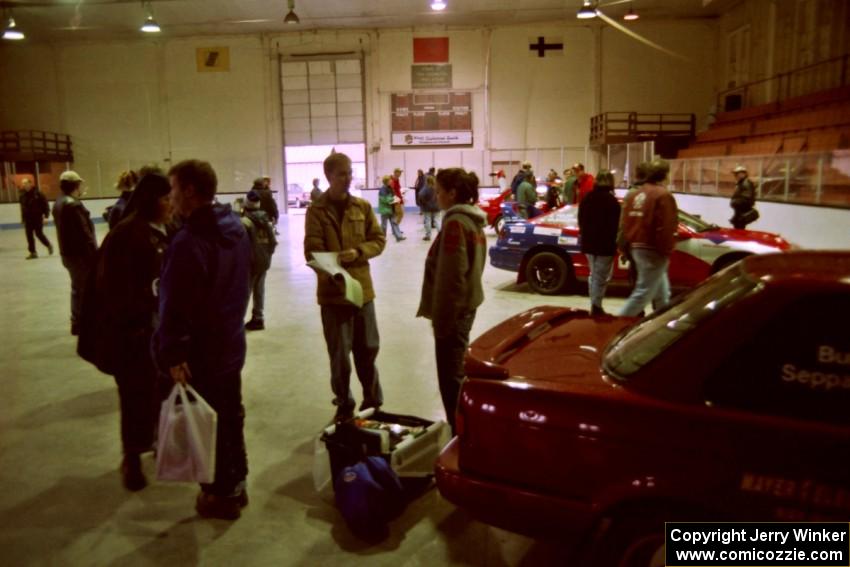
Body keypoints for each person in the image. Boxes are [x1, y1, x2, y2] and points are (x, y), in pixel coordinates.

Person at [154, 159, 252, 520]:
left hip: (202, 351)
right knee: (230, 415)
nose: (172, 197)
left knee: (207, 423)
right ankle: (237, 483)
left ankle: (220, 494)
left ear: (190, 191)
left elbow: (175, 305)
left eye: (174, 189)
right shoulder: (237, 230)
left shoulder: (189, 242)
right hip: (230, 343)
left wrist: (174, 352)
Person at [82, 173, 172, 491]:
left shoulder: (167, 230)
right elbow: (109, 289)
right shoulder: (126, 235)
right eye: (165, 199)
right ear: (151, 201)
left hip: (160, 332)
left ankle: (156, 443)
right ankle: (132, 457)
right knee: (134, 397)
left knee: (159, 394)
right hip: (132, 335)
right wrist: (135, 321)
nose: (171, 205)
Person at [304, 152, 387, 423]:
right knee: (339, 357)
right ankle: (344, 404)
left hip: (362, 292)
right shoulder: (316, 211)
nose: (348, 178)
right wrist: (333, 270)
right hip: (333, 296)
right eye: (342, 174)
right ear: (328, 176)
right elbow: (312, 250)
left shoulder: (361, 207)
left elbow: (378, 239)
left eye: (350, 172)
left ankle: (373, 401)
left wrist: (359, 251)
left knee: (368, 350)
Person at [417, 168, 486, 433]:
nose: (436, 196)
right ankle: (462, 428)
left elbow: (451, 277)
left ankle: (459, 433)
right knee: (456, 373)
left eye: (439, 191)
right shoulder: (473, 221)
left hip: (454, 314)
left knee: (450, 379)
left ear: (452, 193)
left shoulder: (456, 223)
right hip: (467, 306)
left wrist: (442, 322)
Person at [618, 159, 678, 317]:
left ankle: (662, 322)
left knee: (662, 292)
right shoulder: (663, 195)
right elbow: (666, 225)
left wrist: (627, 246)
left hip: (637, 246)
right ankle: (617, 325)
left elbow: (625, 223)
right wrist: (666, 249)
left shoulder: (635, 194)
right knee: (643, 292)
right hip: (653, 248)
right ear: (664, 175)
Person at [53, 171, 97, 336]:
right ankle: (82, 322)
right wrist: (94, 255)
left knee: (77, 288)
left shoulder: (59, 202)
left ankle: (77, 321)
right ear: (76, 185)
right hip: (80, 255)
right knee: (84, 289)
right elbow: (85, 234)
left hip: (67, 254)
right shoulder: (73, 205)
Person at [578, 170, 621, 316]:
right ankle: (596, 307)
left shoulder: (587, 198)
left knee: (594, 274)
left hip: (589, 244)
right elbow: (617, 225)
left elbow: (581, 219)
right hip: (605, 245)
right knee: (601, 277)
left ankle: (595, 304)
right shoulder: (612, 201)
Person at [241, 189, 277, 331]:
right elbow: (273, 242)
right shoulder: (266, 220)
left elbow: (240, 245)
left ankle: (237, 321)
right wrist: (267, 255)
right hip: (264, 261)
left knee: (244, 291)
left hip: (250, 262)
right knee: (259, 289)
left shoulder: (245, 222)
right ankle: (258, 318)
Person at [18, 178, 53, 259]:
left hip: (37, 218)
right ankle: (33, 252)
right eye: (23, 183)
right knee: (29, 235)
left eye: (26, 183)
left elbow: (46, 205)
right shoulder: (22, 195)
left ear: (30, 184)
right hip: (28, 219)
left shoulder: (38, 194)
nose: (24, 185)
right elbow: (22, 208)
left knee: (39, 234)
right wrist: (23, 219)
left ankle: (48, 245)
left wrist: (46, 217)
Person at [378, 175, 405, 242]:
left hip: (391, 209)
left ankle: (399, 237)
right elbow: (385, 200)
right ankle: (382, 238)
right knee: (384, 225)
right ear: (386, 181)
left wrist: (397, 199)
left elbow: (393, 196)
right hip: (385, 210)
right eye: (390, 180)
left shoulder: (390, 188)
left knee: (394, 223)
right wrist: (394, 199)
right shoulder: (383, 190)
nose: (391, 181)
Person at [730, 164, 757, 229]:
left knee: (739, 228)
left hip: (742, 212)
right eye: (735, 174)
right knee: (737, 226)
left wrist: (734, 202)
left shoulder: (746, 183)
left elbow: (746, 198)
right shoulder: (741, 183)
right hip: (740, 212)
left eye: (737, 174)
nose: (735, 176)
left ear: (743, 174)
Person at [419, 173, 441, 241]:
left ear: (427, 181)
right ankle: (440, 235)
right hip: (437, 207)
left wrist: (424, 203)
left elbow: (420, 195)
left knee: (427, 221)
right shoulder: (437, 188)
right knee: (437, 221)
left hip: (427, 207)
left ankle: (428, 236)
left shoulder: (425, 188)